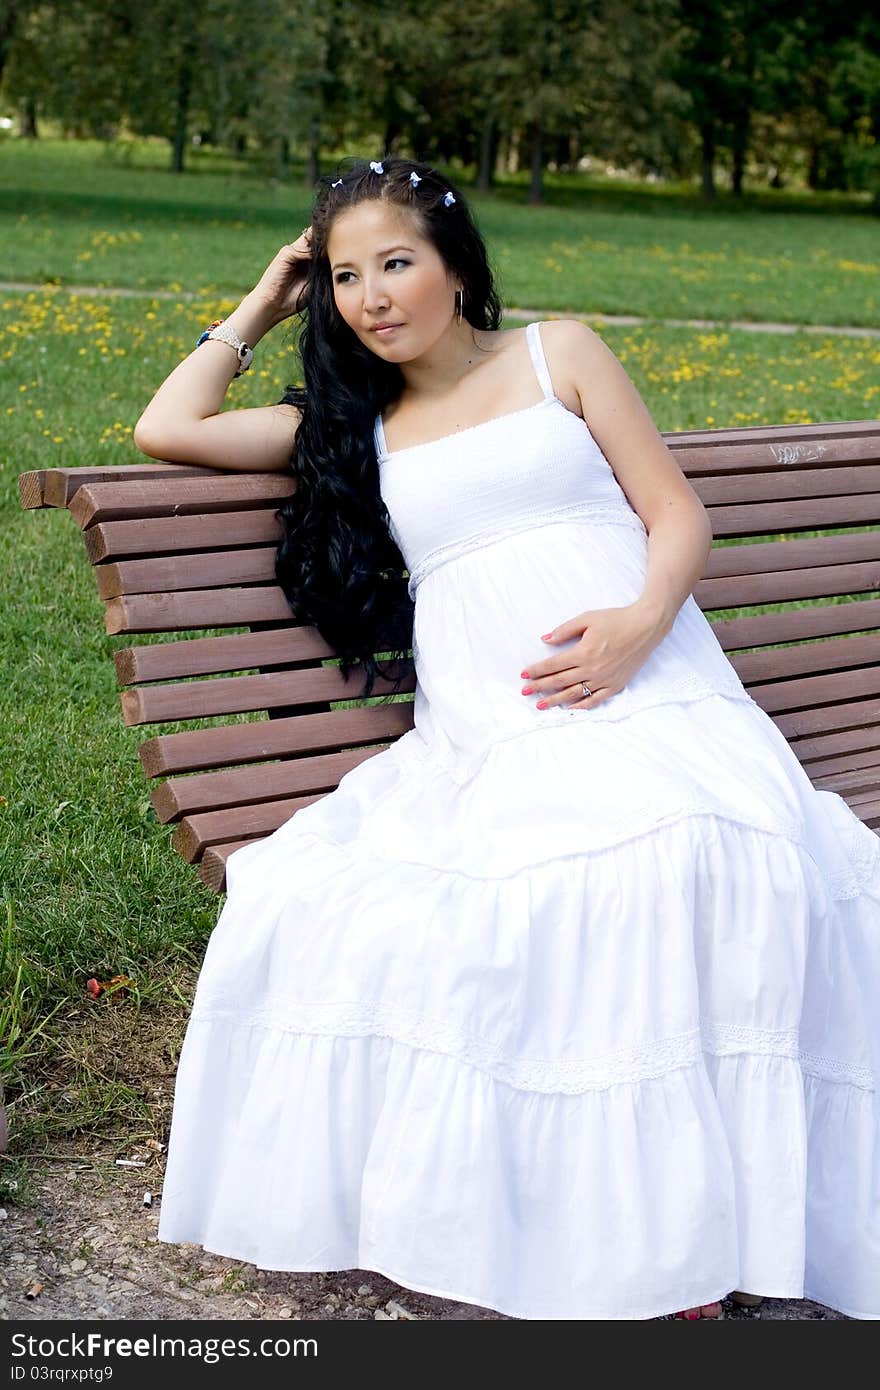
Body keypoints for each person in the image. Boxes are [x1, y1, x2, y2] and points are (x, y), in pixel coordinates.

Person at [134, 154, 880, 1322]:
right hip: (502, 725)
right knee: (576, 891)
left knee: (716, 849)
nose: (372, 295)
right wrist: (261, 298)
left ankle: (732, 1231)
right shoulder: (350, 426)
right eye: (343, 277)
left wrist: (638, 623)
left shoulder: (559, 354)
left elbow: (675, 511)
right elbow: (163, 428)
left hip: (654, 683)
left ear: (453, 263)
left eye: (395, 263)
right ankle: (648, 1245)